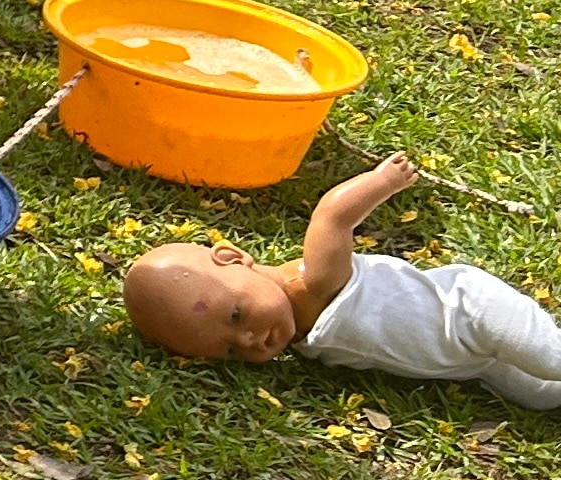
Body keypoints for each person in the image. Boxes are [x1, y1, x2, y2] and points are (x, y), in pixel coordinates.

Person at [127, 154, 561, 407]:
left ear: (233, 258)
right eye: (230, 351)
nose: (251, 339)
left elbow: (331, 217)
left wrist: (381, 181)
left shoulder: (314, 283)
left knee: (552, 361)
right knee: (543, 395)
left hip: (472, 312)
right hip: (472, 362)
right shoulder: (297, 336)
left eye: (237, 315)